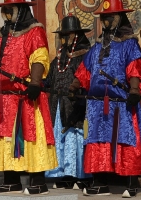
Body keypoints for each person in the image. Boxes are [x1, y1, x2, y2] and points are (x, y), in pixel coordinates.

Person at [0, 0, 57, 195]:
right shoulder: (2, 35)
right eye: (5, 10)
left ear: (20, 9)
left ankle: (38, 181)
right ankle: (11, 179)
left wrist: (35, 82)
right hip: (1, 100)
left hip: (25, 97)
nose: (7, 14)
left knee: (31, 136)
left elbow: (39, 58)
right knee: (4, 139)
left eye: (10, 9)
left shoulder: (35, 32)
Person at [72, 0, 141, 197]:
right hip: (96, 105)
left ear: (119, 17)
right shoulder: (98, 46)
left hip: (121, 103)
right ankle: (100, 182)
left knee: (126, 140)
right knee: (98, 142)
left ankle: (131, 182)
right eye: (104, 18)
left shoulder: (129, 44)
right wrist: (74, 86)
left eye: (110, 17)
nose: (106, 22)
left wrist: (134, 90)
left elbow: (135, 68)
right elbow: (85, 70)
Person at [45, 14, 91, 189]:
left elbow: (87, 78)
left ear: (75, 35)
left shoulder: (85, 55)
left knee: (76, 139)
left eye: (66, 35)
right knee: (61, 137)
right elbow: (50, 77)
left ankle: (82, 176)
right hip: (58, 104)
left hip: (76, 105)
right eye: (62, 35)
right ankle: (65, 174)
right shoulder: (60, 57)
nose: (63, 39)